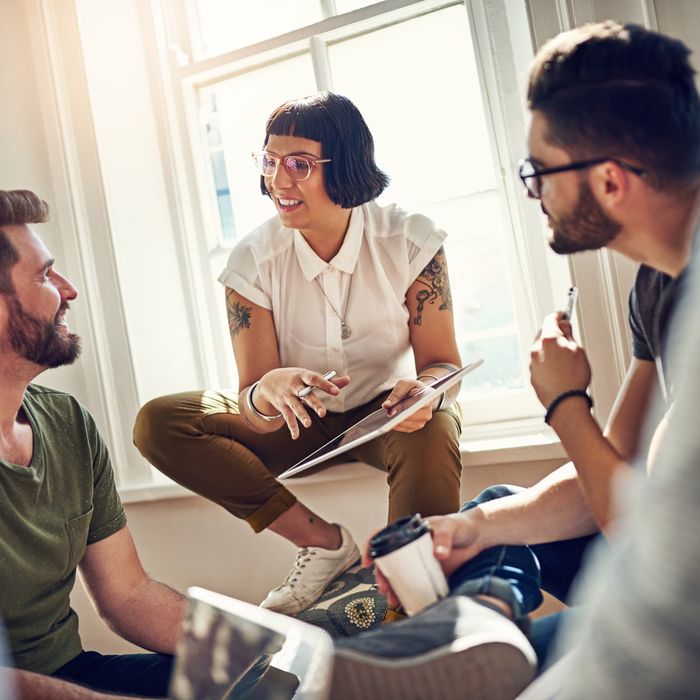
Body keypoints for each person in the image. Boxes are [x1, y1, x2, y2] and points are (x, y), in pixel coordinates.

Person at [347, 19, 700, 692]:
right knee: (498, 509)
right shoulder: (657, 285)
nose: (532, 192)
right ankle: (479, 624)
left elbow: (633, 520)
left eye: (538, 172)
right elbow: (613, 474)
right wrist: (470, 527)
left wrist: (565, 402)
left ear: (611, 180)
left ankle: (475, 642)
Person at [133, 91, 464, 616]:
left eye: (299, 164)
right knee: (159, 421)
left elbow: (444, 363)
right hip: (296, 424)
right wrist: (267, 393)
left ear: (347, 165)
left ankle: (416, 601)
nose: (278, 181)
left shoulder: (410, 238)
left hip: (388, 414)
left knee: (435, 424)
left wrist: (428, 391)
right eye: (269, 161)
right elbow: (253, 402)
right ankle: (325, 544)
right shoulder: (252, 260)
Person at [0, 189, 185, 698]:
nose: (69, 290)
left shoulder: (68, 423)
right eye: (44, 275)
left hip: (73, 673)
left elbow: (129, 594)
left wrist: (259, 650)